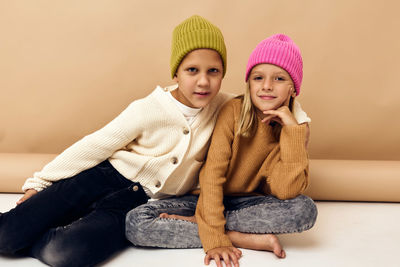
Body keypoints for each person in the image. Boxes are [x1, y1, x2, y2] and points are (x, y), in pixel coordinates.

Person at [0, 15, 231, 267]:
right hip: (100, 178)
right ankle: (26, 227)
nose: (203, 81)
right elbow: (94, 145)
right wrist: (40, 183)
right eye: (192, 70)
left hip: (136, 204)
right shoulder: (149, 108)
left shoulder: (226, 109)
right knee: (6, 236)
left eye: (214, 71)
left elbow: (259, 103)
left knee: (63, 254)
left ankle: (38, 233)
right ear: (176, 72)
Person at [126, 34, 317, 267]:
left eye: (278, 78)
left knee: (304, 209)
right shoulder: (233, 111)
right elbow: (212, 174)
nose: (266, 86)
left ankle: (201, 224)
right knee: (137, 221)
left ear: (293, 89)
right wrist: (216, 238)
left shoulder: (296, 128)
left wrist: (292, 133)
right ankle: (238, 237)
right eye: (258, 78)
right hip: (205, 197)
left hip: (248, 203)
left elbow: (285, 190)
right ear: (249, 83)